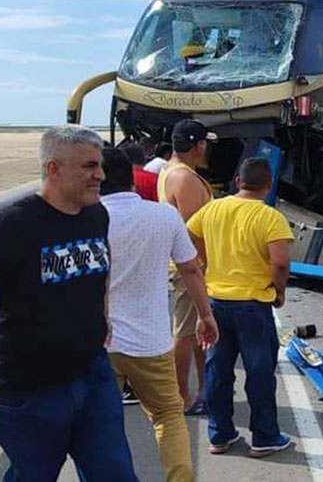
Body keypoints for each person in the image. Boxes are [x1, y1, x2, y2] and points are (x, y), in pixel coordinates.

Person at [0, 126, 139, 482]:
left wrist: (102, 315)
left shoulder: (96, 215)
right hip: (31, 391)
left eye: (101, 165)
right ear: (54, 169)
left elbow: (98, 270)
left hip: (93, 375)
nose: (101, 175)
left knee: (116, 475)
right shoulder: (11, 225)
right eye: (89, 166)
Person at [100, 148, 219, 482]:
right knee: (168, 416)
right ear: (134, 178)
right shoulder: (163, 216)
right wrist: (205, 314)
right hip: (150, 341)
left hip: (101, 341)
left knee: (103, 424)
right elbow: (191, 269)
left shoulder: (89, 217)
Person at [187, 157, 295, 457]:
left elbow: (189, 235)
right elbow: (281, 262)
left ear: (238, 182)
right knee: (259, 372)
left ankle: (219, 434)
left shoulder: (212, 209)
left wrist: (205, 260)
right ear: (268, 185)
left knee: (217, 371)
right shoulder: (270, 217)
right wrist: (279, 290)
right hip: (252, 305)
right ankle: (264, 436)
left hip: (216, 302)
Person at [158, 119, 215, 415]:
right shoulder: (185, 178)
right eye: (206, 143)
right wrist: (208, 265)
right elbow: (195, 231)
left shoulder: (169, 171)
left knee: (194, 329)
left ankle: (203, 389)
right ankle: (184, 395)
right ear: (198, 145)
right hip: (190, 266)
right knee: (185, 330)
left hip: (181, 263)